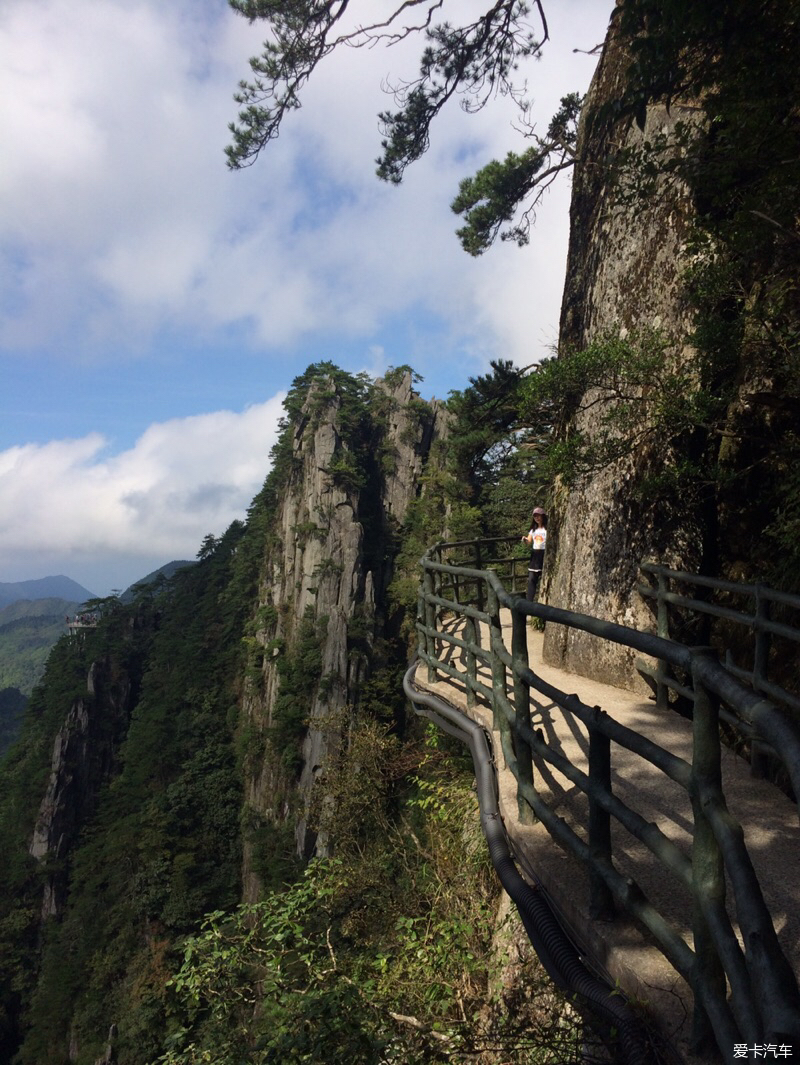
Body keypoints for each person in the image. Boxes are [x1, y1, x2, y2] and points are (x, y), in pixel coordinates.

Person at [521, 507, 547, 601]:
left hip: (545, 553)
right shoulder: (533, 530)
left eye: (538, 516)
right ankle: (529, 601)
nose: (537, 518)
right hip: (535, 554)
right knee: (532, 578)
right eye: (535, 516)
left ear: (543, 516)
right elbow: (529, 541)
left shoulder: (547, 529)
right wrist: (525, 540)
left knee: (544, 577)